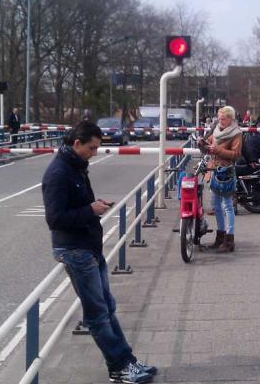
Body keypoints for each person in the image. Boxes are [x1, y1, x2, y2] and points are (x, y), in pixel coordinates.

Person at [42, 122, 157, 384]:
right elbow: (55, 218)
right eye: (92, 148)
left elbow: (78, 206)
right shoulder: (59, 173)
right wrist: (90, 211)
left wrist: (95, 206)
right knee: (97, 315)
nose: (95, 152)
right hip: (74, 250)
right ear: (77, 144)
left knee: (108, 308)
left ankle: (127, 360)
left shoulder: (76, 167)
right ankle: (119, 367)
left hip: (88, 247)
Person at [198, 106, 243, 252]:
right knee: (216, 205)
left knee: (227, 206)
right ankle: (220, 236)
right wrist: (202, 145)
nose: (220, 121)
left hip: (226, 172)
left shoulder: (236, 134)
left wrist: (216, 150)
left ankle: (229, 239)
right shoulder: (216, 130)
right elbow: (208, 146)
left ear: (231, 119)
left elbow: (236, 154)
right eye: (220, 118)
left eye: (223, 119)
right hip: (214, 170)